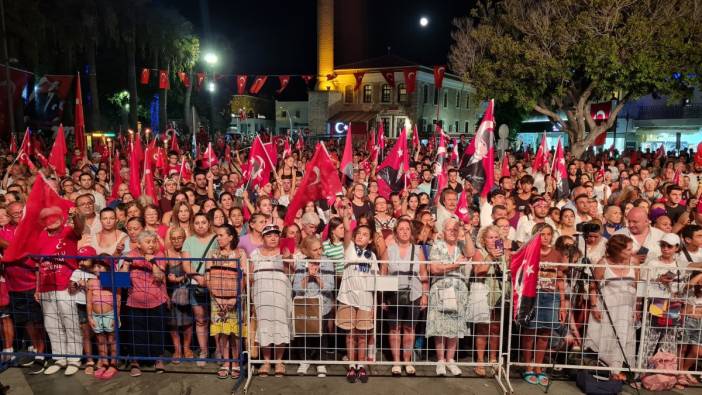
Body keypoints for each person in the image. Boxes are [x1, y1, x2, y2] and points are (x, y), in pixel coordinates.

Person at [35, 206, 85, 376]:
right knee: (52, 325)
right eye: (47, 218)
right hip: (46, 286)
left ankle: (74, 359)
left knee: (70, 323)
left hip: (65, 285)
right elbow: (38, 264)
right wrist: (37, 288)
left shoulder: (68, 232)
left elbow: (79, 227)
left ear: (61, 218)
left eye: (55, 217)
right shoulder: (41, 235)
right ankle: (59, 358)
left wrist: (77, 215)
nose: (52, 220)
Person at [583, 234, 639, 382]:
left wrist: (637, 308)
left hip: (626, 309)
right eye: (628, 249)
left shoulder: (634, 262)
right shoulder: (603, 263)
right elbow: (593, 287)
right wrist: (594, 306)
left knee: (623, 338)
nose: (631, 252)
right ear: (617, 251)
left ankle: (618, 370)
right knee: (606, 339)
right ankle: (608, 372)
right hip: (607, 308)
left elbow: (637, 287)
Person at [335, 204, 378, 383]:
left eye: (365, 235)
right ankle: (352, 365)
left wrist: (374, 305)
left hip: (366, 300)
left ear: (370, 239)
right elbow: (346, 230)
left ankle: (361, 366)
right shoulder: (350, 249)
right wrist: (346, 216)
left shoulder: (373, 257)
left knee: (362, 335)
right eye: (358, 234)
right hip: (347, 298)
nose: (361, 236)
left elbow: (375, 283)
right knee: (350, 334)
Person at [380, 218, 429, 376]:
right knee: (394, 329)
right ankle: (396, 362)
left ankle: (407, 361)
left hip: (414, 293)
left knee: (410, 328)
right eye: (401, 229)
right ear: (396, 232)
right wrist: (381, 298)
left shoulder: (418, 250)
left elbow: (423, 273)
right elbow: (383, 273)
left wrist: (425, 295)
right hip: (393, 295)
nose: (404, 231)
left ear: (411, 231)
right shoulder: (389, 250)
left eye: (407, 229)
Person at [520, 223, 566, 387]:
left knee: (545, 332)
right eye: (542, 234)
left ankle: (539, 366)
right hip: (532, 295)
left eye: (548, 234)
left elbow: (560, 279)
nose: (546, 237)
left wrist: (562, 303)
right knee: (530, 331)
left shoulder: (556, 254)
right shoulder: (529, 251)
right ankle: (528, 366)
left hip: (551, 295)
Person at [426, 218, 470, 377]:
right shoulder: (437, 245)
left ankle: (451, 360)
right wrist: (455, 265)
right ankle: (441, 361)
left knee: (455, 325)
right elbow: (435, 269)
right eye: (449, 229)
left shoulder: (462, 246)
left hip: (459, 289)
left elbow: (471, 254)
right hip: (440, 289)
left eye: (455, 229)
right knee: (440, 325)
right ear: (443, 231)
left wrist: (467, 231)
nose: (452, 231)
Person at [121, 230, 168, 377]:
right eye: (148, 242)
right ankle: (135, 362)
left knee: (156, 331)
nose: (151, 244)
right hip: (134, 301)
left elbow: (159, 277)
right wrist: (127, 265)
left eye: (153, 241)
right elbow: (122, 279)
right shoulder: (131, 254)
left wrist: (152, 261)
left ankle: (158, 359)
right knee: (136, 333)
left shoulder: (159, 255)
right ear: (139, 244)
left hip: (156, 300)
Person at [207, 224, 249, 379]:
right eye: (217, 235)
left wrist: (235, 297)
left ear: (231, 237)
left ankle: (236, 362)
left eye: (221, 235)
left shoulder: (240, 254)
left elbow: (243, 278)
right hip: (217, 300)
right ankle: (226, 362)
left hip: (236, 299)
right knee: (223, 333)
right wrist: (217, 298)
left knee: (235, 333)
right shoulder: (213, 254)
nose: (218, 238)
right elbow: (208, 277)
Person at [251, 224, 293, 377]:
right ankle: (266, 361)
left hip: (281, 296)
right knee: (264, 325)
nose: (273, 237)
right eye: (269, 235)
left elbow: (292, 272)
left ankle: (279, 361)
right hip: (261, 296)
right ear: (262, 238)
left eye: (276, 235)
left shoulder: (284, 252)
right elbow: (250, 277)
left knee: (280, 324)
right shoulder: (255, 254)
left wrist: (288, 258)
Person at [292, 236, 334, 377]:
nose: (319, 252)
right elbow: (297, 288)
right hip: (305, 305)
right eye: (315, 250)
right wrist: (307, 276)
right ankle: (304, 360)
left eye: (320, 248)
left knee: (321, 334)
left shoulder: (327, 262)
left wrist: (316, 277)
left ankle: (321, 362)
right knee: (303, 333)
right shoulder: (300, 264)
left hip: (323, 305)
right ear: (306, 251)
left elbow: (330, 287)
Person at [182, 212, 217, 367]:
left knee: (217, 317)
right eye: (197, 223)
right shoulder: (189, 241)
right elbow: (186, 263)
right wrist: (198, 277)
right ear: (193, 225)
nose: (201, 225)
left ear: (208, 223)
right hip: (196, 284)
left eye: (203, 222)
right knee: (200, 319)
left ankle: (220, 350)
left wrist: (208, 279)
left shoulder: (216, 239)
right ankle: (204, 351)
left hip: (215, 283)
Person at [86, 255, 120, 380]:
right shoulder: (91, 281)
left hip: (110, 315)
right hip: (96, 316)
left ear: (107, 267)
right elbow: (89, 301)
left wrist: (117, 316)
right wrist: (90, 317)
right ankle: (104, 362)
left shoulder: (113, 280)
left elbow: (118, 299)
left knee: (112, 340)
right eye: (94, 266)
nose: (96, 269)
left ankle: (113, 364)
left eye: (99, 266)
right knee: (100, 340)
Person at [164, 227, 194, 363]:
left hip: (187, 291)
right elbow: (162, 274)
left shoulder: (188, 251)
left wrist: (177, 279)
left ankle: (187, 348)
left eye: (179, 238)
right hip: (171, 292)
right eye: (173, 238)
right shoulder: (166, 253)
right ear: (170, 240)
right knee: (173, 323)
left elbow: (192, 271)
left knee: (188, 322)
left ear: (184, 238)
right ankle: (177, 349)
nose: (176, 241)